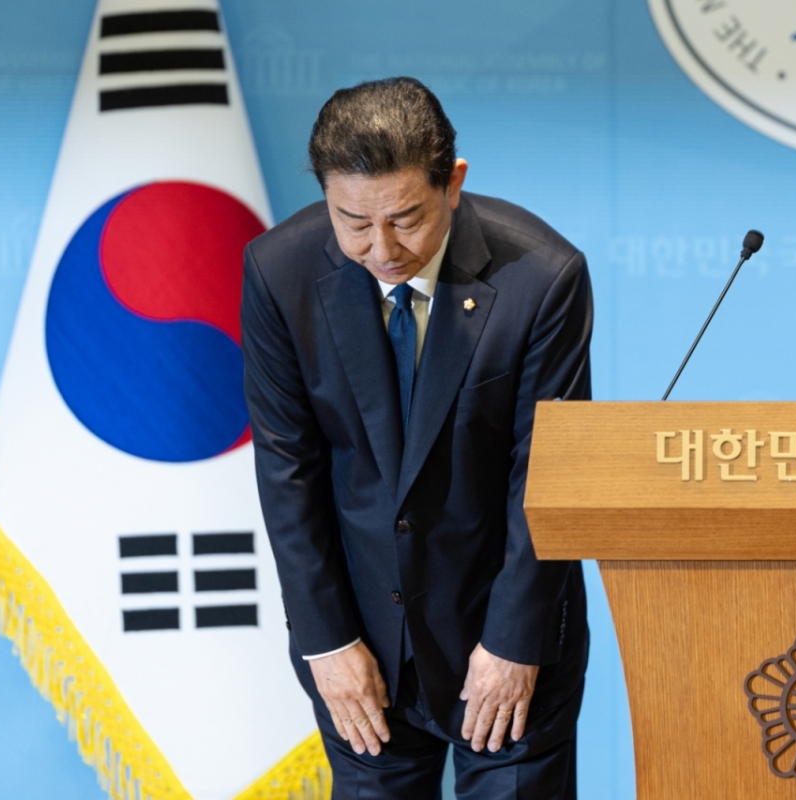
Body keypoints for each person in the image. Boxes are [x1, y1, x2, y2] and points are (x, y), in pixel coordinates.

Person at [241, 77, 592, 799]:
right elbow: (286, 468)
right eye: (353, 222)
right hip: (362, 642)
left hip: (505, 633)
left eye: (406, 219)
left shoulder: (543, 277)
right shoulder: (280, 272)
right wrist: (328, 641)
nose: (382, 249)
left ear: (452, 184)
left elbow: (545, 475)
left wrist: (513, 642)